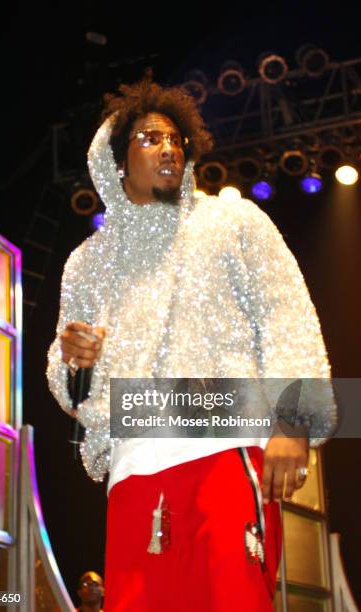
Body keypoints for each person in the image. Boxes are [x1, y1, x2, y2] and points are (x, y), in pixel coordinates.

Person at [47, 77, 337, 611]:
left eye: (177, 139)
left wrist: (292, 422)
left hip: (224, 446)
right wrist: (72, 361)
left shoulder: (232, 220)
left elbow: (287, 316)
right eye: (151, 138)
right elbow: (68, 379)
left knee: (233, 600)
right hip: (133, 466)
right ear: (114, 164)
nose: (169, 148)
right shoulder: (88, 263)